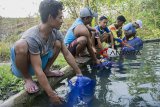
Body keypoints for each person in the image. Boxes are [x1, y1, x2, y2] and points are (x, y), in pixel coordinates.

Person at [10, 0, 82, 105]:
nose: (62, 21)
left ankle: (47, 70)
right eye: (60, 17)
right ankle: (27, 79)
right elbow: (37, 69)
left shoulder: (55, 32)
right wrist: (51, 94)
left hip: (38, 61)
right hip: (22, 67)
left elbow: (66, 54)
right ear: (50, 17)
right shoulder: (33, 37)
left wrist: (79, 73)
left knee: (58, 43)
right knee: (21, 45)